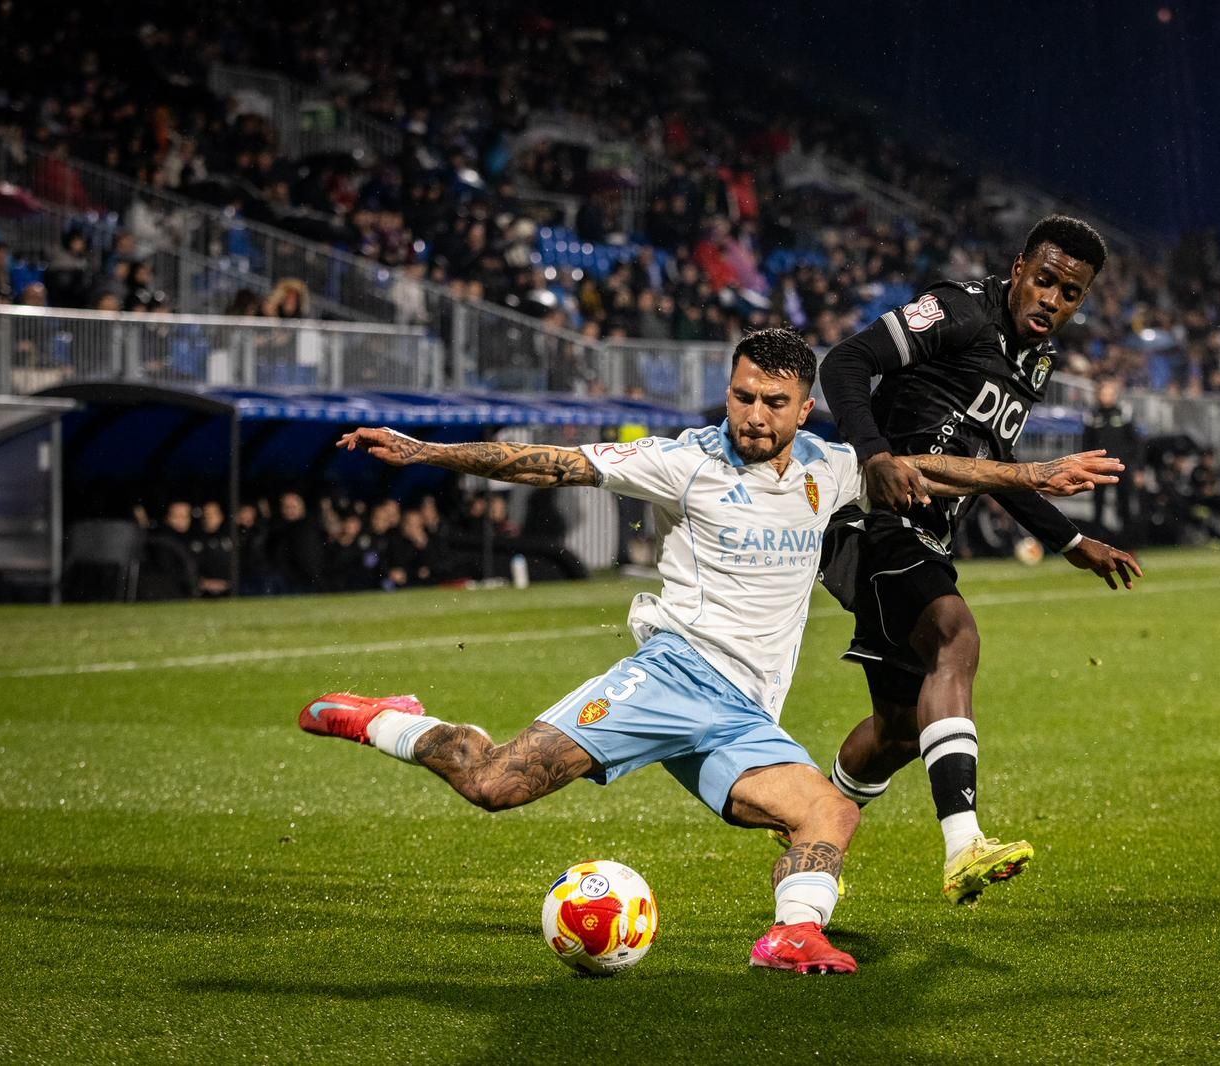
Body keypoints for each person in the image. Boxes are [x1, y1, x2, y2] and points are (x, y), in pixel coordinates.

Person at [299, 328, 1121, 973]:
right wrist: (427, 450)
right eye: (742, 396)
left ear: (805, 410)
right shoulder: (681, 462)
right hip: (671, 677)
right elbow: (551, 465)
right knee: (492, 783)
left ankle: (791, 938)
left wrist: (1035, 476)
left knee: (830, 811)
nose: (754, 416)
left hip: (743, 717)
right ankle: (388, 721)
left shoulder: (832, 470)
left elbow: (926, 470)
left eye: (774, 402)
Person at [815, 215, 1143, 905]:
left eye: (1071, 293)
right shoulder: (958, 310)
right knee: (953, 636)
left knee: (902, 731)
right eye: (1046, 280)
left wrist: (1073, 543)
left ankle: (810, 818)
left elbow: (996, 466)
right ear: (1019, 267)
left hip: (927, 533)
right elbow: (846, 360)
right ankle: (964, 845)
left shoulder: (1036, 360)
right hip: (875, 518)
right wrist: (874, 455)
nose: (1053, 300)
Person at [1082, 379, 1139, 536]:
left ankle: (1127, 538)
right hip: (1099, 467)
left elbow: (1135, 441)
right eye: (1104, 393)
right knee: (1098, 503)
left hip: (1121, 466)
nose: (1107, 396)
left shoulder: (1124, 413)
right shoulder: (1092, 415)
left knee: (1125, 501)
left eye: (1110, 393)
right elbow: (1086, 443)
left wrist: (1136, 466)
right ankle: (1098, 537)